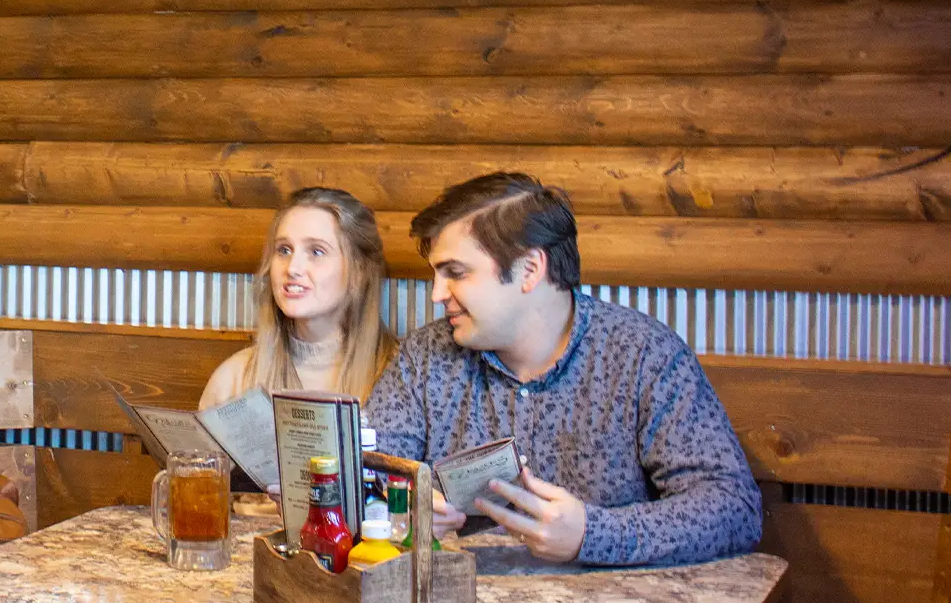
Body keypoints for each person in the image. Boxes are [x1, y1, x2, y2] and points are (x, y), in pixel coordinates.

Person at [365, 173, 761, 566]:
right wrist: (405, 511)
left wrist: (592, 534)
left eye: (456, 272)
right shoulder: (424, 356)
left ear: (530, 269)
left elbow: (732, 507)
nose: (436, 294)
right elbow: (368, 474)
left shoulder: (643, 355)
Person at [199, 188, 398, 410]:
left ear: (359, 271)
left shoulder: (403, 378)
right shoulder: (233, 382)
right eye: (284, 250)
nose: (293, 268)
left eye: (317, 252)